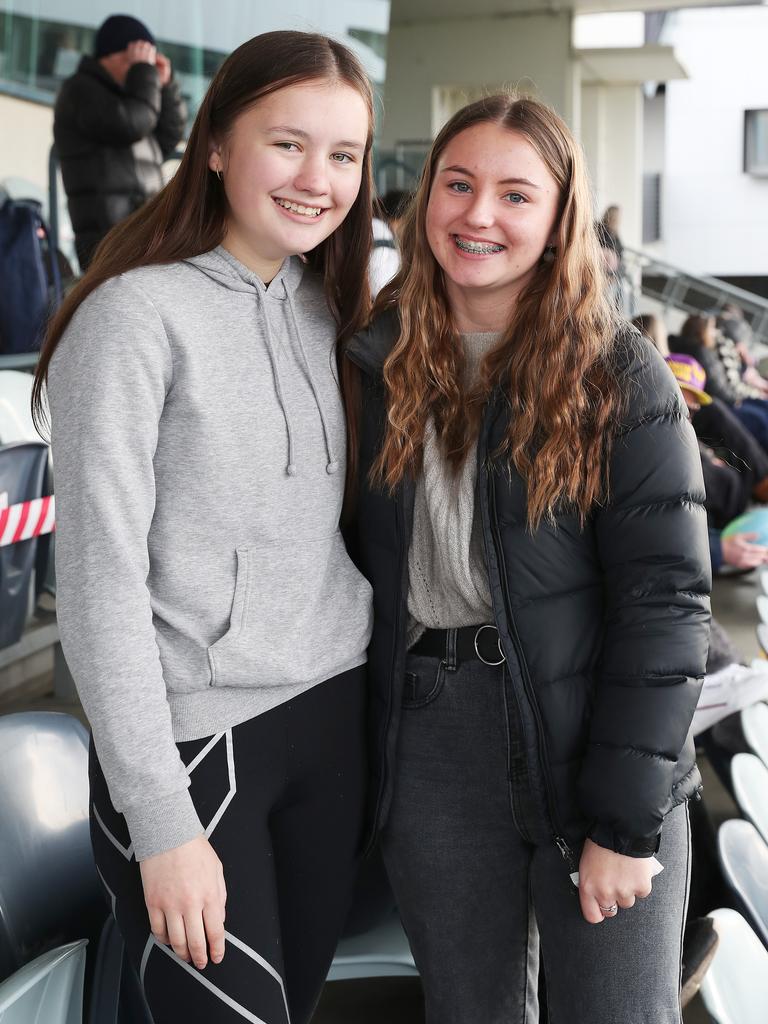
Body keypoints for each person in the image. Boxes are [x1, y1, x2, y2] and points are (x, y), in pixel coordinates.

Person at [344, 94, 710, 1024]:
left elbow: (667, 605)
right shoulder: (374, 358)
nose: (478, 215)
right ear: (426, 198)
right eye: (459, 185)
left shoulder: (615, 371)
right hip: (433, 741)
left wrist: (625, 823)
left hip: (588, 733)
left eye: (515, 194)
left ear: (557, 222)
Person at [34, 31, 375, 1024]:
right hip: (196, 752)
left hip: (332, 723)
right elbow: (96, 591)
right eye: (288, 144)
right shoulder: (135, 318)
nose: (319, 179)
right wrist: (160, 817)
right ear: (217, 144)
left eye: (345, 154)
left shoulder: (327, 307)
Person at [53, 14, 187, 270]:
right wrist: (144, 75)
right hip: (107, 237)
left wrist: (166, 85)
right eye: (136, 61)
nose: (141, 69)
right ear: (113, 55)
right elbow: (132, 124)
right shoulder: (80, 90)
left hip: (143, 229)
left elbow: (169, 135)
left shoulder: (133, 97)